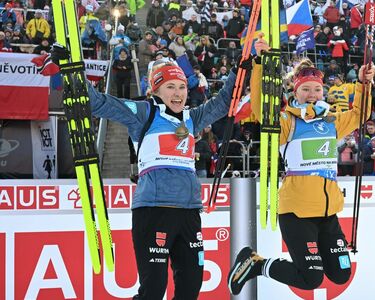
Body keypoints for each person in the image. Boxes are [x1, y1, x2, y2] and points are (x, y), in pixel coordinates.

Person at [50, 34, 264, 298]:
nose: (177, 93)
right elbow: (99, 103)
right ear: (155, 90)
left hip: (188, 212)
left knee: (189, 289)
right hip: (153, 209)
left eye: (182, 87)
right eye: (170, 87)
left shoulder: (192, 117)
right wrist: (72, 68)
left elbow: (223, 103)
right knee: (153, 289)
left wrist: (242, 67)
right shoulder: (144, 113)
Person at [227, 58, 375, 294]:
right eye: (305, 89)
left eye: (317, 89)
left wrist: (363, 83)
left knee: (341, 273)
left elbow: (360, 113)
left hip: (327, 213)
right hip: (297, 212)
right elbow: (261, 110)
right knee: (311, 279)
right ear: (295, 91)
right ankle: (257, 264)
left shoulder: (331, 121)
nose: (312, 94)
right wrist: (259, 67)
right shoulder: (288, 121)